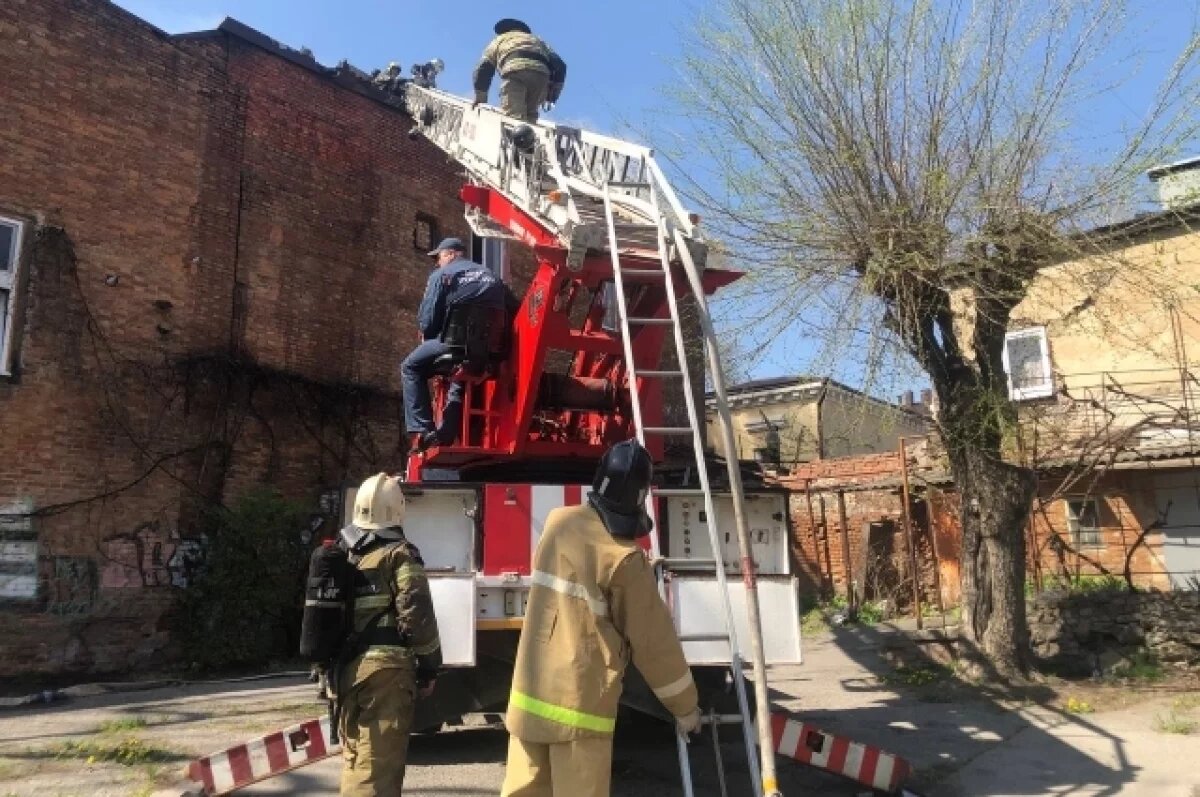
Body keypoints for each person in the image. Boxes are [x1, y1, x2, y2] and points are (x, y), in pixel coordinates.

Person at [500, 440, 702, 797]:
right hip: (580, 709)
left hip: (530, 695)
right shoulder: (625, 560)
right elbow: (654, 644)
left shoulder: (558, 524)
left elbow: (581, 575)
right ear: (639, 497)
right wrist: (685, 708)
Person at [335, 472, 442, 795]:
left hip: (346, 670)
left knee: (356, 757)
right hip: (386, 673)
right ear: (397, 509)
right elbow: (416, 612)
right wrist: (430, 666)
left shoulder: (347, 554)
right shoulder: (399, 553)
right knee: (377, 766)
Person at [402, 237, 505, 451]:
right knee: (458, 376)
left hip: (453, 345)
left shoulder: (442, 275)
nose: (437, 263)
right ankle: (447, 432)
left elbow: (427, 320)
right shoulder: (493, 277)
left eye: (438, 258)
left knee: (410, 367)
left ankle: (422, 430)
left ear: (450, 254)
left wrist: (429, 335)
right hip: (486, 350)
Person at [472, 18, 567, 123]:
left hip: (515, 73)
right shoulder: (538, 41)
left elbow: (483, 67)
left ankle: (517, 128)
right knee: (530, 116)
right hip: (541, 77)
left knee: (514, 118)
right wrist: (551, 97)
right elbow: (560, 65)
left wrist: (480, 98)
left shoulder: (500, 39)